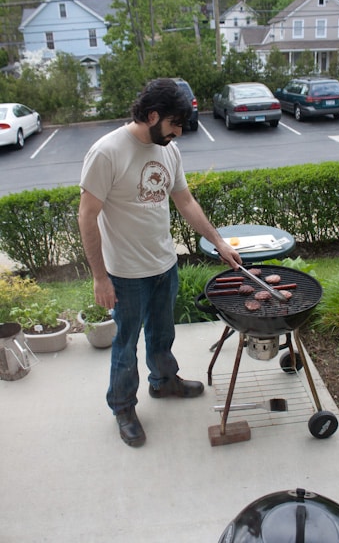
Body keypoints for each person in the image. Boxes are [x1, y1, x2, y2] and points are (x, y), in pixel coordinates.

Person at [78, 78, 242, 448]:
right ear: (152, 115)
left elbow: (185, 201)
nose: (179, 132)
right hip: (125, 273)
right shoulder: (107, 152)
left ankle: (165, 382)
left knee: (162, 333)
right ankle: (122, 407)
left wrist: (218, 243)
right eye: (174, 124)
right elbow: (87, 216)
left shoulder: (168, 149)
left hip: (163, 264)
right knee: (125, 344)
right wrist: (100, 278)